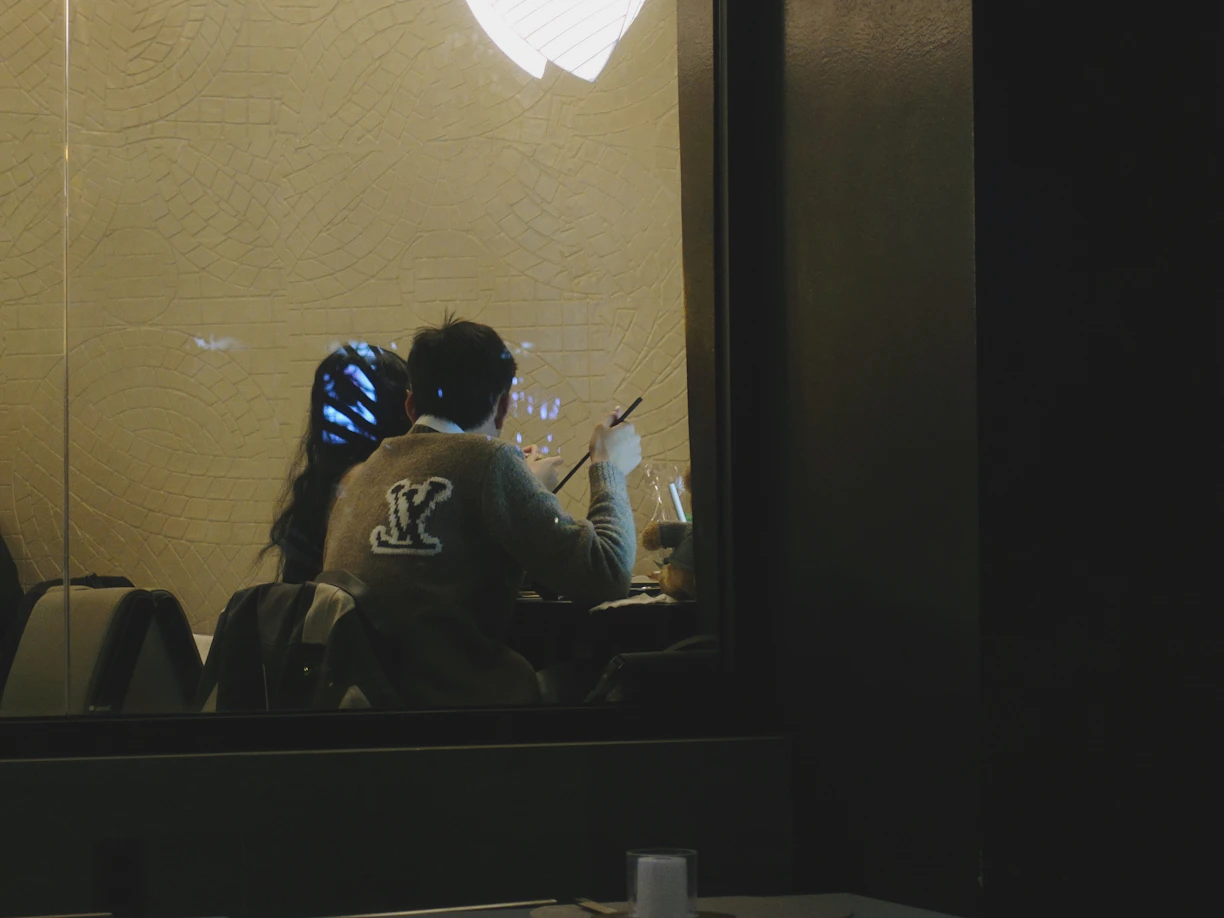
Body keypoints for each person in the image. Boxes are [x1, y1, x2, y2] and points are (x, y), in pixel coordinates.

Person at [321, 315, 642, 707]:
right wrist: (607, 466)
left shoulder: (362, 474)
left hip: (372, 712)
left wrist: (526, 492)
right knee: (623, 672)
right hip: (462, 711)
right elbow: (607, 574)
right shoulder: (489, 461)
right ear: (503, 404)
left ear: (410, 405)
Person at [262, 344, 413, 584]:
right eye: (335, 399)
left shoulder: (317, 492)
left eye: (353, 400)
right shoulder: (385, 489)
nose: (338, 414)